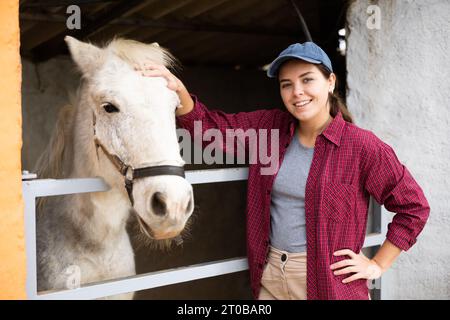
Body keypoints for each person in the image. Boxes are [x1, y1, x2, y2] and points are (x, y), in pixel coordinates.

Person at [136, 42, 430, 300]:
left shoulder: (361, 146)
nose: (296, 92)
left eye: (306, 80)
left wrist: (377, 264)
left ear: (330, 82)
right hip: (271, 275)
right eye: (286, 84)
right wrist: (178, 90)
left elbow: (414, 207)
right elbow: (212, 130)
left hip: (328, 283)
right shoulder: (269, 129)